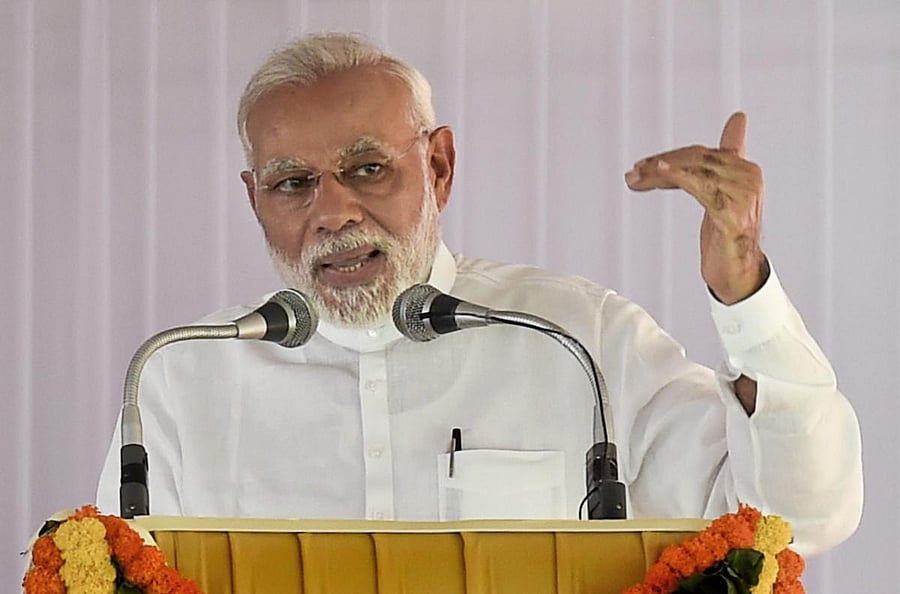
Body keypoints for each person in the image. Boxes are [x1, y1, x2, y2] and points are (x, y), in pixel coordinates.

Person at [97, 33, 862, 556]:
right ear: (254, 199)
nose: (331, 213)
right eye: (293, 183)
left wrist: (745, 295)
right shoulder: (184, 377)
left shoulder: (577, 340)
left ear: (440, 167)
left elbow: (794, 521)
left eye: (368, 169)